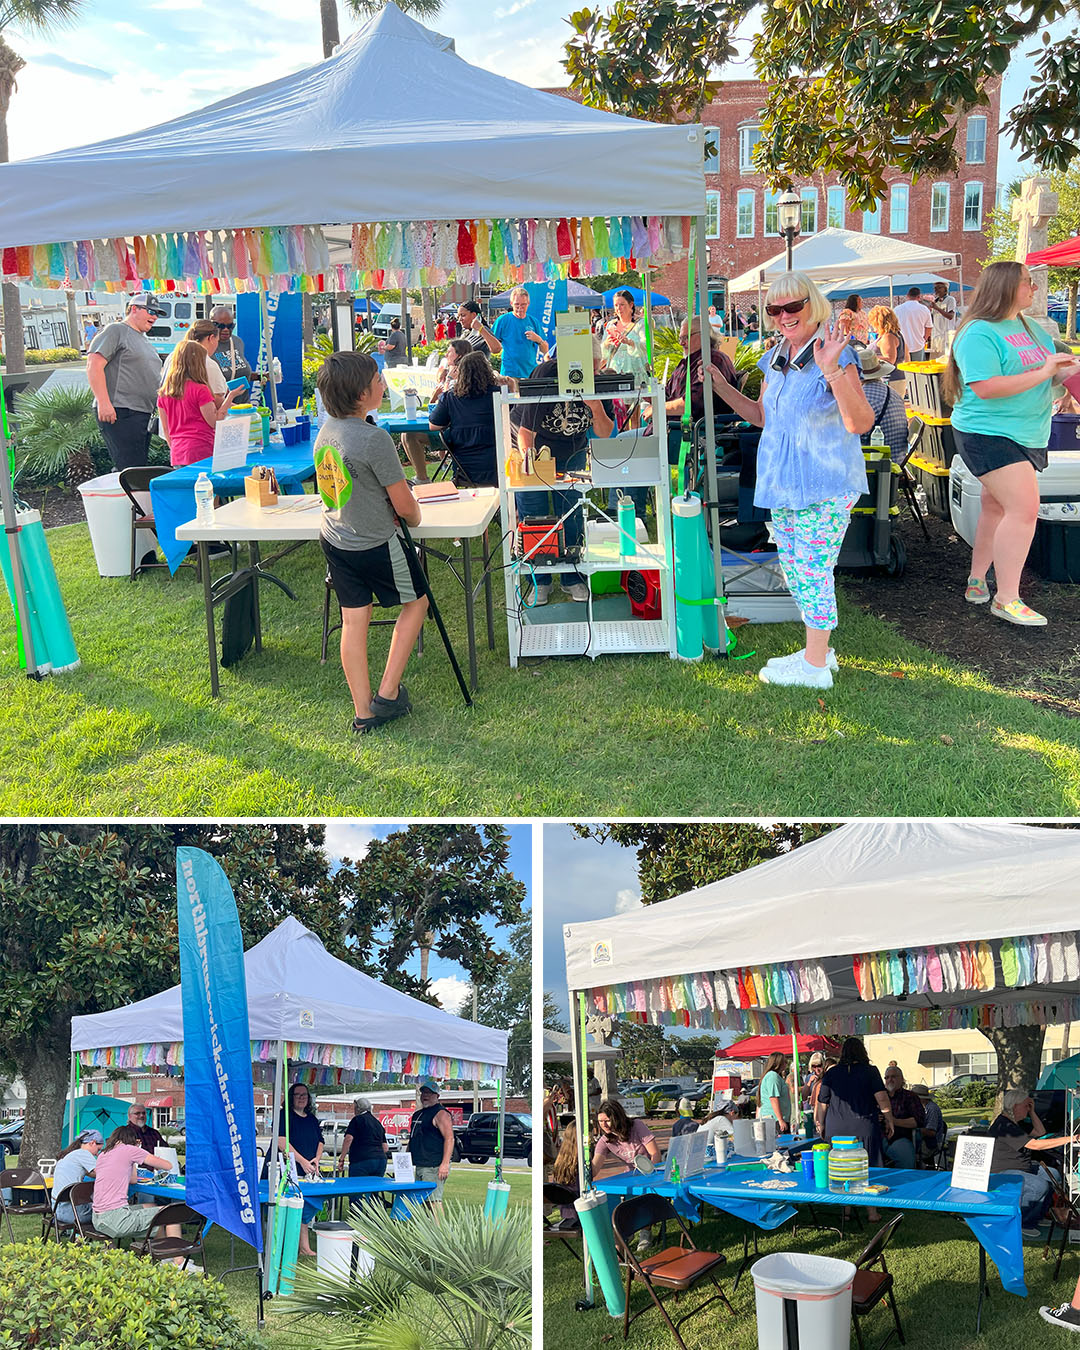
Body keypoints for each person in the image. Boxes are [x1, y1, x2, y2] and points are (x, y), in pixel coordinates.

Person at [707, 271, 874, 689]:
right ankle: (820, 652)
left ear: (812, 305)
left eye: (792, 306)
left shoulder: (836, 354)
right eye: (774, 309)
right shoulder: (776, 355)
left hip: (825, 483)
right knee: (796, 570)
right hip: (783, 484)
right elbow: (763, 417)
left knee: (813, 570)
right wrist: (722, 387)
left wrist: (832, 370)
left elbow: (859, 422)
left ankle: (815, 669)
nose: (783, 316)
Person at [945, 260, 1080, 626]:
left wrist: (1064, 372)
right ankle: (1007, 598)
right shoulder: (977, 333)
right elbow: (986, 388)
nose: (1034, 289)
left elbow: (1057, 368)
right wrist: (1045, 371)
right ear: (1005, 287)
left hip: (1027, 432)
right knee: (1023, 508)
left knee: (997, 507)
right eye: (1027, 283)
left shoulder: (1029, 325)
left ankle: (977, 580)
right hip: (986, 433)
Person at [314, 351, 428, 735]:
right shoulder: (374, 438)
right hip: (375, 541)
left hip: (335, 537)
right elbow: (405, 507)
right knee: (417, 602)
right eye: (378, 379)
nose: (383, 384)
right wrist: (414, 515)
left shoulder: (326, 429)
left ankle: (364, 712)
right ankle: (388, 692)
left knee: (353, 619)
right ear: (362, 394)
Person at [512, 336, 614, 604]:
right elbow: (525, 432)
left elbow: (605, 433)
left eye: (594, 369)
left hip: (573, 452)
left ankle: (572, 577)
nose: (587, 375)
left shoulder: (600, 382)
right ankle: (539, 579)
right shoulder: (546, 373)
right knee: (533, 512)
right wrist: (530, 461)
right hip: (538, 447)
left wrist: (596, 408)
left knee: (571, 512)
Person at [87, 295, 168, 471]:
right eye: (151, 311)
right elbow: (94, 363)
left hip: (141, 413)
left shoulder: (141, 338)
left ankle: (129, 497)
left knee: (136, 467)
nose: (154, 317)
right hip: (121, 411)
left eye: (157, 314)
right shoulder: (116, 330)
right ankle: (125, 498)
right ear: (134, 309)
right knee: (130, 469)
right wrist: (104, 402)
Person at [91, 1125, 184, 1256]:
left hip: (98, 1219)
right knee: (170, 1213)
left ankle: (163, 1253)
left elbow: (133, 1179)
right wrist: (136, 1150)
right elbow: (167, 1165)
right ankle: (178, 1261)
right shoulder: (129, 1150)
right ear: (133, 1140)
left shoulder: (103, 1154)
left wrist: (133, 1157)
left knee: (152, 1207)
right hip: (117, 1219)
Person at [815, 1037, 894, 1169]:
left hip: (836, 1129)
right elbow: (882, 1099)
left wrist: (821, 1124)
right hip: (863, 1127)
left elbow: (822, 1102)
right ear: (863, 1052)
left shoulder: (832, 1073)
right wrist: (889, 1120)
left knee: (839, 1171)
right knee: (867, 1171)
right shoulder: (870, 1071)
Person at [157, 341, 240, 466]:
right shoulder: (200, 389)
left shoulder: (164, 393)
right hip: (201, 448)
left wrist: (175, 448)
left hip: (177, 452)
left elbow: (166, 429)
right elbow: (214, 422)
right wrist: (230, 397)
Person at [428, 350, 502, 486]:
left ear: (460, 373)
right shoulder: (499, 394)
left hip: (464, 468)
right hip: (498, 466)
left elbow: (434, 425)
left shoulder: (450, 397)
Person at [276, 1082, 324, 1256]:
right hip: (288, 1168)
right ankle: (291, 1244)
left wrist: (316, 1159)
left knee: (308, 1204)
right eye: (298, 1095)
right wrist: (302, 1161)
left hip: (309, 1169)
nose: (302, 1098)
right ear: (291, 1097)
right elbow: (281, 1142)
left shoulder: (311, 1118)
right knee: (292, 1204)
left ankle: (303, 1247)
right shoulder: (284, 1115)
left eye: (305, 1095)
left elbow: (321, 1141)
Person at [163, 319, 231, 408]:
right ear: (210, 338)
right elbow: (217, 402)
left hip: (171, 418)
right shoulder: (208, 364)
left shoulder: (172, 356)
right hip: (197, 419)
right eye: (217, 341)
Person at [407, 1080, 455, 1205]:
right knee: (422, 1202)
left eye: (430, 1093)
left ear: (437, 1096)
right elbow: (413, 1138)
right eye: (423, 1092)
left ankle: (440, 1225)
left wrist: (444, 1164)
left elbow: (449, 1139)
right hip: (420, 1164)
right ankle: (427, 1225)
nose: (425, 1096)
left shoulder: (441, 1113)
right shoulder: (418, 1114)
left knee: (433, 1202)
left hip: (434, 1165)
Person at [857, 349, 908, 461]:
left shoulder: (864, 397)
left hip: (878, 463)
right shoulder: (892, 393)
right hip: (898, 458)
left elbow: (856, 435)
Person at [51, 1128, 104, 1229]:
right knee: (106, 1212)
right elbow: (102, 1173)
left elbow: (93, 1174)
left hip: (57, 1209)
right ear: (92, 1143)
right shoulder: (84, 1154)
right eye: (98, 1149)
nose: (97, 1154)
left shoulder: (70, 1155)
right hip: (72, 1212)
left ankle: (79, 1238)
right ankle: (109, 1243)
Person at [492, 286, 549, 379]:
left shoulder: (533, 321)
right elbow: (493, 346)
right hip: (509, 373)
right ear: (511, 303)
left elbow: (545, 350)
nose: (520, 308)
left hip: (530, 372)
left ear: (528, 304)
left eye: (523, 304)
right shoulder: (502, 320)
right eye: (517, 304)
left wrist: (538, 339)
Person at [591, 1099, 660, 1171]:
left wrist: (651, 1173)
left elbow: (655, 1154)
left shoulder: (637, 1125)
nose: (604, 1125)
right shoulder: (605, 1140)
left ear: (617, 1118)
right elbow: (595, 1166)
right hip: (631, 1174)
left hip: (650, 1171)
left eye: (607, 1121)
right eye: (600, 1121)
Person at [601, 289, 649, 386]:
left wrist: (630, 342)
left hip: (635, 369)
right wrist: (606, 344)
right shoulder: (611, 325)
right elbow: (604, 354)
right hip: (614, 371)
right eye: (616, 305)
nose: (619, 308)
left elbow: (647, 346)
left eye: (622, 304)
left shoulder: (641, 323)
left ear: (631, 305)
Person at [881, 1066, 925, 1169]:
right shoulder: (880, 1097)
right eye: (886, 1077)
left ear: (901, 1079)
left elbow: (918, 1121)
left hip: (901, 1137)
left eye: (893, 1077)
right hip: (879, 1137)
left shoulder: (910, 1097)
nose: (889, 1080)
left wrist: (892, 1121)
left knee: (906, 1165)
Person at [338, 1097, 390, 1178]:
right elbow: (385, 1148)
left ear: (358, 1109)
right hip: (380, 1160)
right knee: (374, 1188)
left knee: (357, 1188)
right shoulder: (377, 1123)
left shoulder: (356, 1120)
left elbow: (348, 1139)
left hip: (361, 1160)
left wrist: (342, 1159)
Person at [866, 305, 907, 395]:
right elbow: (906, 355)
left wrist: (869, 357)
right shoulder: (897, 334)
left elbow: (890, 359)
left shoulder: (888, 337)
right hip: (896, 378)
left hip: (890, 380)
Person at [209, 306, 253, 384]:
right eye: (221, 326)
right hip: (219, 396)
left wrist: (261, 376)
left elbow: (240, 373)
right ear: (211, 324)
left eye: (230, 326)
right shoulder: (206, 345)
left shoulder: (237, 341)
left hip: (242, 396)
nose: (226, 329)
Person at [893, 287, 933, 362]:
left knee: (904, 371)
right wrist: (924, 339)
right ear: (919, 297)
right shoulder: (924, 309)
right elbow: (929, 327)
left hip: (902, 345)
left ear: (907, 296)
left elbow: (892, 326)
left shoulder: (897, 309)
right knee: (918, 371)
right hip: (918, 344)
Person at [910, 1084, 946, 1164]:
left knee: (907, 1152)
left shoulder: (931, 1109)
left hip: (931, 1143)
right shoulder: (919, 1108)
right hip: (922, 1141)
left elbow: (931, 1132)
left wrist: (914, 1129)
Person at [758, 1052, 792, 1132]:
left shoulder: (775, 1076)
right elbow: (773, 1098)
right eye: (784, 1061)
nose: (786, 1064)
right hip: (775, 1120)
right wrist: (780, 1120)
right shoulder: (772, 1076)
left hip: (777, 1119)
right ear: (778, 1063)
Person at [926, 281, 958, 354]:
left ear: (945, 289)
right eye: (935, 288)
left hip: (946, 334)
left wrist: (937, 308)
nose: (937, 290)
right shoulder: (935, 302)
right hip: (936, 335)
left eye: (939, 288)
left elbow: (950, 316)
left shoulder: (950, 299)